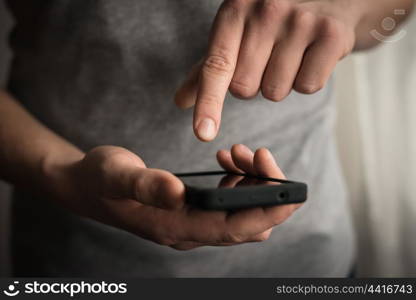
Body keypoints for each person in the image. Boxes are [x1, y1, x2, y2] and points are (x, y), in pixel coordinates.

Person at [0, 0, 413, 277]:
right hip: (81, 262)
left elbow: (397, 15)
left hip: (311, 260)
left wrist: (346, 8)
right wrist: (65, 176)